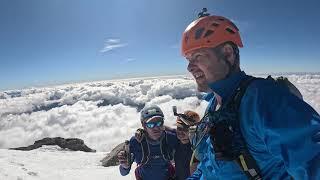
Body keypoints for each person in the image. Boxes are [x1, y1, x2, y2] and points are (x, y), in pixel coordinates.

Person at [180, 9, 320, 179]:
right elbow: (209, 167)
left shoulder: (264, 100)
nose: (189, 67)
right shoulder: (215, 104)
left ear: (228, 53)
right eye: (188, 59)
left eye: (198, 56)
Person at [117, 105, 178, 180]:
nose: (156, 128)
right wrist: (125, 166)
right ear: (144, 125)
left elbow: (184, 138)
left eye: (159, 123)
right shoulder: (136, 142)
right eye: (151, 124)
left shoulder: (171, 138)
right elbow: (124, 173)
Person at [173, 110, 200, 180]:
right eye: (179, 128)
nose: (181, 133)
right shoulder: (176, 141)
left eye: (186, 129)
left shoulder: (199, 148)